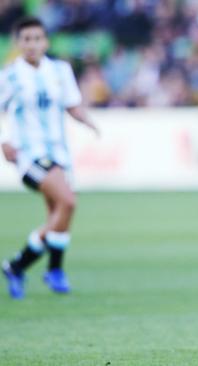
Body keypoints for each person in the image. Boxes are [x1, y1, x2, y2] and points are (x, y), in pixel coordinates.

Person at [0, 17, 99, 299]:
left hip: (59, 153)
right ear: (18, 44)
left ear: (45, 42)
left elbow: (72, 106)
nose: (32, 44)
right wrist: (4, 140)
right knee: (68, 202)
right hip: (28, 154)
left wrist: (88, 121)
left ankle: (21, 267)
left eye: (37, 39)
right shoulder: (10, 75)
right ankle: (45, 268)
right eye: (26, 39)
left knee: (58, 213)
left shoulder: (60, 70)